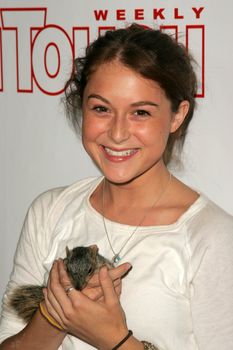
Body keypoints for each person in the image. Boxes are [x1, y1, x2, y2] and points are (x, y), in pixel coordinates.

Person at [0, 24, 233, 350]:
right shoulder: (51, 211)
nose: (118, 133)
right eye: (101, 109)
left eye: (140, 112)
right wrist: (56, 315)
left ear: (177, 116)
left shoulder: (213, 238)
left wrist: (114, 339)